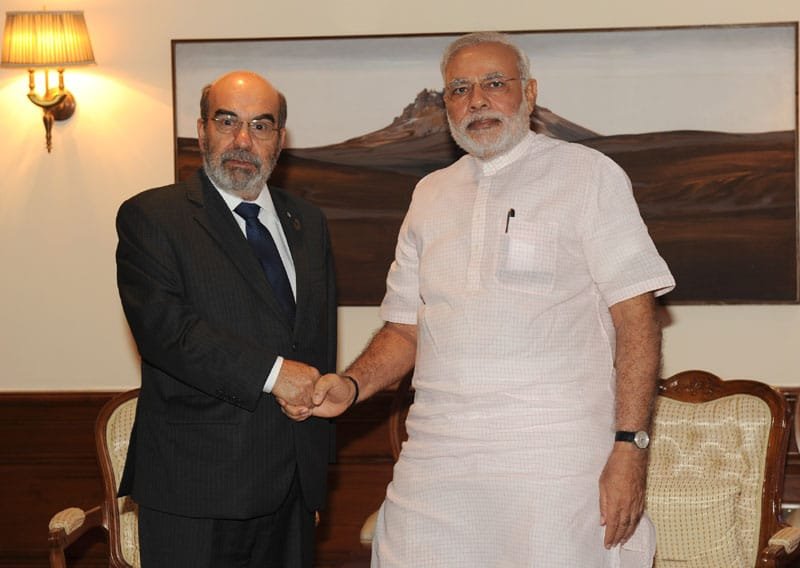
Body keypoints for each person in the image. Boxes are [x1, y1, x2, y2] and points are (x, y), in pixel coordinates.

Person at [285, 32, 675, 566]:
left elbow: (636, 316)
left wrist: (630, 445)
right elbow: (405, 329)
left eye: (495, 83)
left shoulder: (588, 175)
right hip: (438, 456)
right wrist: (351, 386)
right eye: (459, 89)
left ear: (529, 93)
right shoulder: (429, 194)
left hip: (555, 457)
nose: (477, 101)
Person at [115, 70, 337, 567]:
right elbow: (167, 333)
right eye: (227, 121)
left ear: (280, 139)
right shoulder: (154, 217)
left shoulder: (308, 222)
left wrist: (312, 477)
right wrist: (276, 375)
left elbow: (316, 341)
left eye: (260, 125)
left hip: (292, 491)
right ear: (201, 131)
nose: (242, 140)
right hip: (195, 490)